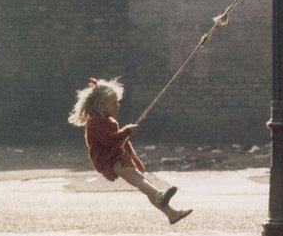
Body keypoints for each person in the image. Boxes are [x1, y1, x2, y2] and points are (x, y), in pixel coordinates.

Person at [68, 77, 192, 225]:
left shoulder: (110, 122)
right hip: (108, 159)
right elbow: (110, 140)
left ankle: (171, 213)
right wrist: (127, 130)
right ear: (101, 105)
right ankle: (159, 195)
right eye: (114, 103)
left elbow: (122, 142)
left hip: (116, 155)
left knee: (142, 183)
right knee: (139, 180)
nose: (117, 106)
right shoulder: (94, 122)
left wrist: (133, 157)